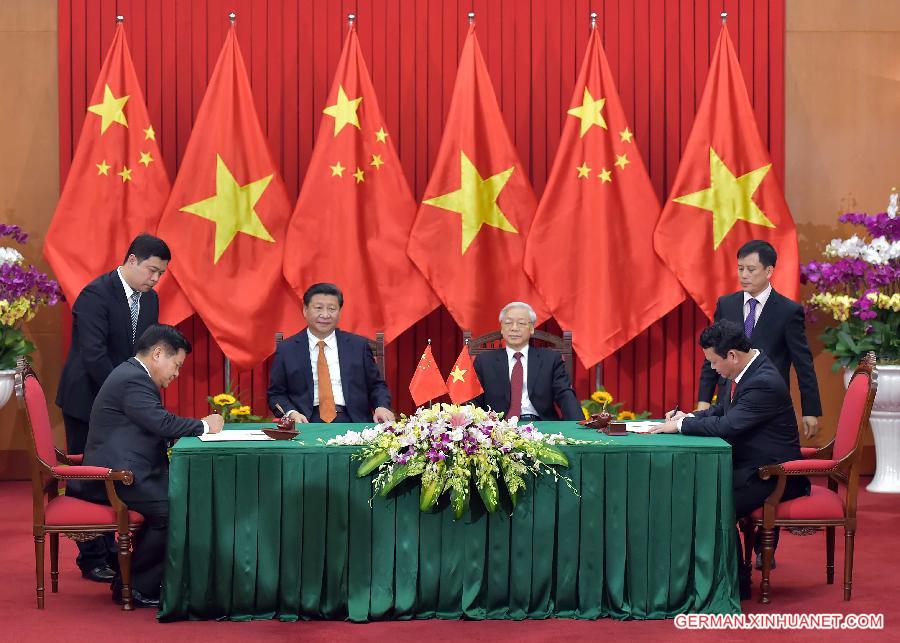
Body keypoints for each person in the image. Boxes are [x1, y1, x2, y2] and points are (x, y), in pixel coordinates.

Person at [68, 325, 224, 608]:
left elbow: (156, 423)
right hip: (115, 476)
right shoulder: (133, 379)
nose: (177, 374)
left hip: (130, 469)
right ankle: (137, 586)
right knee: (171, 510)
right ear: (158, 353)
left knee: (180, 499)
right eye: (176, 365)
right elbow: (160, 422)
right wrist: (204, 425)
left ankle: (137, 578)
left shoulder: (133, 374)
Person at [652, 320, 810, 599]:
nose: (712, 368)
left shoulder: (763, 382)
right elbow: (720, 411)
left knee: (712, 504)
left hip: (774, 476)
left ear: (732, 355)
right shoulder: (744, 371)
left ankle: (733, 587)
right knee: (697, 491)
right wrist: (686, 417)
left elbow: (728, 426)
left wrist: (679, 427)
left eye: (713, 362)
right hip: (750, 467)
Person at [55, 233, 171, 583]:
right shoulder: (95, 295)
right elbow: (94, 356)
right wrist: (125, 397)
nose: (154, 279)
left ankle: (115, 548)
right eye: (151, 270)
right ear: (131, 260)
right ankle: (91, 558)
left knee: (122, 472)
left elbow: (146, 354)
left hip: (125, 402)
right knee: (89, 480)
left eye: (161, 274)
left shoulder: (149, 300)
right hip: (87, 399)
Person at [697, 240, 822, 439]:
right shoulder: (726, 304)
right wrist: (703, 400)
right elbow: (712, 355)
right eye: (740, 268)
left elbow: (803, 363)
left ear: (769, 271)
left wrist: (810, 409)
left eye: (751, 269)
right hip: (728, 398)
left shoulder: (788, 311)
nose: (743, 275)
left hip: (766, 402)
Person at [267, 283, 394, 424]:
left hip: (353, 420)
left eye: (332, 309)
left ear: (339, 312)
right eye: (318, 308)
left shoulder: (358, 346)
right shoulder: (287, 349)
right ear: (305, 310)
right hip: (305, 421)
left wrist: (381, 407)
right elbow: (276, 394)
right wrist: (291, 413)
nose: (325, 315)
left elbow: (377, 386)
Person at [470, 302, 582, 421]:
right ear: (502, 328)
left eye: (521, 323)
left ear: (532, 328)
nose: (514, 328)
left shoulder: (550, 359)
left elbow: (564, 394)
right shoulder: (484, 361)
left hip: (541, 424)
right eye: (508, 323)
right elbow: (473, 399)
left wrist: (578, 426)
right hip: (499, 428)